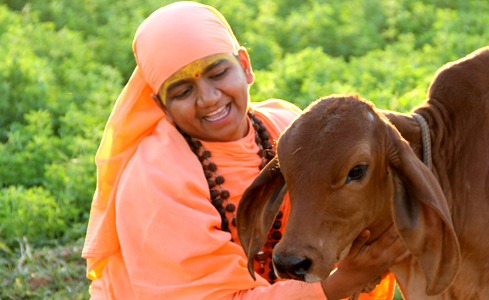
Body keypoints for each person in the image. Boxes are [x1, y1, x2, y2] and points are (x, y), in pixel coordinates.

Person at [82, 2, 405, 299]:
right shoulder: (155, 179)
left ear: (245, 66)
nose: (208, 98)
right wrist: (341, 283)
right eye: (182, 91)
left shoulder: (286, 127)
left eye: (219, 73)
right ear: (162, 107)